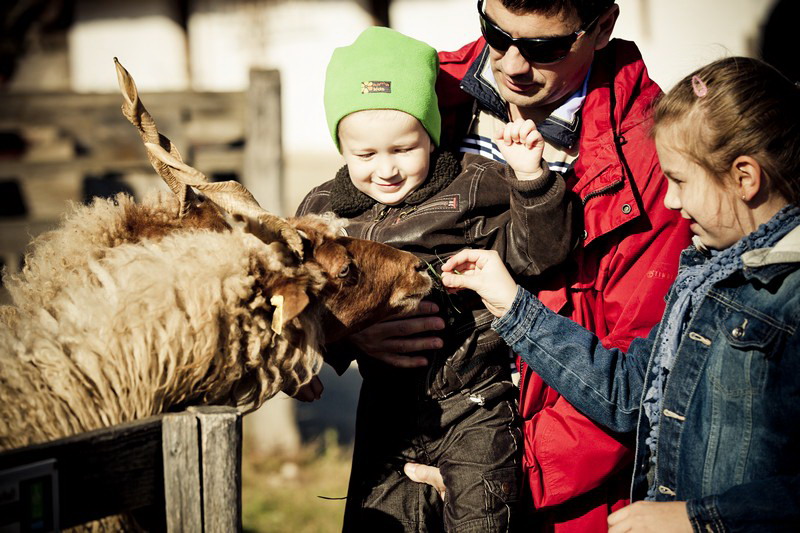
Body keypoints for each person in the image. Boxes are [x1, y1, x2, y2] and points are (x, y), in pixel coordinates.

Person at [354, 1, 692, 530]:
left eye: (544, 47)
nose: (511, 64)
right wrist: (350, 328)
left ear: (602, 27)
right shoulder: (419, 89)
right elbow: (344, 239)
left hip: (540, 486)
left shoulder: (656, 153)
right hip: (403, 452)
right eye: (494, 32)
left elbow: (641, 374)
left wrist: (492, 473)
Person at [436, 56, 800, 532]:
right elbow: (629, 393)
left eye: (680, 181)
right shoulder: (703, 274)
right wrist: (513, 307)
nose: (670, 201)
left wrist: (695, 520)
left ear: (745, 177)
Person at [295, 26, 578, 531]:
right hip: (386, 411)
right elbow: (314, 299)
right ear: (340, 144)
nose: (386, 170)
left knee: (482, 522)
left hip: (474, 405)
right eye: (364, 155)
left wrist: (531, 181)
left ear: (430, 133)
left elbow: (538, 257)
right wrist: (310, 353)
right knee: (380, 521)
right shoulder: (324, 214)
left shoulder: (474, 186)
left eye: (404, 148)